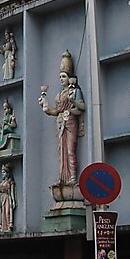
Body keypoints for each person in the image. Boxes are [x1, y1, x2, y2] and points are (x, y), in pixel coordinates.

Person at [39, 51, 85, 186]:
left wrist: (72, 102)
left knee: (70, 150)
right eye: (60, 76)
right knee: (61, 152)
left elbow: (81, 107)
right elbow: (56, 111)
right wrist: (46, 107)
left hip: (70, 122)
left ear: (69, 77)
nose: (61, 79)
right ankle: (62, 178)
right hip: (60, 124)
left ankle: (73, 178)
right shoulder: (59, 95)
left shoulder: (74, 91)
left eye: (64, 76)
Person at [0, 163, 16, 232]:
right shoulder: (2, 182)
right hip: (2, 198)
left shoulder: (10, 181)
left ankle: (9, 226)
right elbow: (0, 190)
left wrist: (13, 200)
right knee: (2, 212)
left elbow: (12, 191)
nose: (2, 174)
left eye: (4, 172)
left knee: (7, 212)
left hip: (7, 197)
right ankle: (3, 227)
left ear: (7, 173)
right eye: (2, 172)